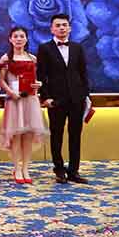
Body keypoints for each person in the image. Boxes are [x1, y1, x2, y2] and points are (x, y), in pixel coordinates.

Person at [37, 13, 90, 184]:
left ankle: (74, 171)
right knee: (56, 135)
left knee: (76, 135)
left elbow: (83, 73)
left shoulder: (77, 47)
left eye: (64, 25)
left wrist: (86, 96)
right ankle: (59, 170)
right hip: (55, 100)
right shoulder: (44, 48)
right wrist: (45, 97)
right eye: (58, 25)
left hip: (76, 99)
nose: (61, 28)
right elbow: (41, 75)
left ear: (70, 28)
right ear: (52, 29)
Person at [0, 26, 48, 185]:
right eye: (15, 36)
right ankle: (17, 168)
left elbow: (37, 79)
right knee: (16, 136)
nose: (19, 39)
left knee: (28, 135)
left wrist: (38, 84)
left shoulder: (33, 58)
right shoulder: (5, 59)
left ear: (26, 39)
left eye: (22, 36)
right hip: (14, 101)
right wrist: (10, 93)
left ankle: (26, 168)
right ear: (10, 39)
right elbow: (1, 81)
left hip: (30, 100)